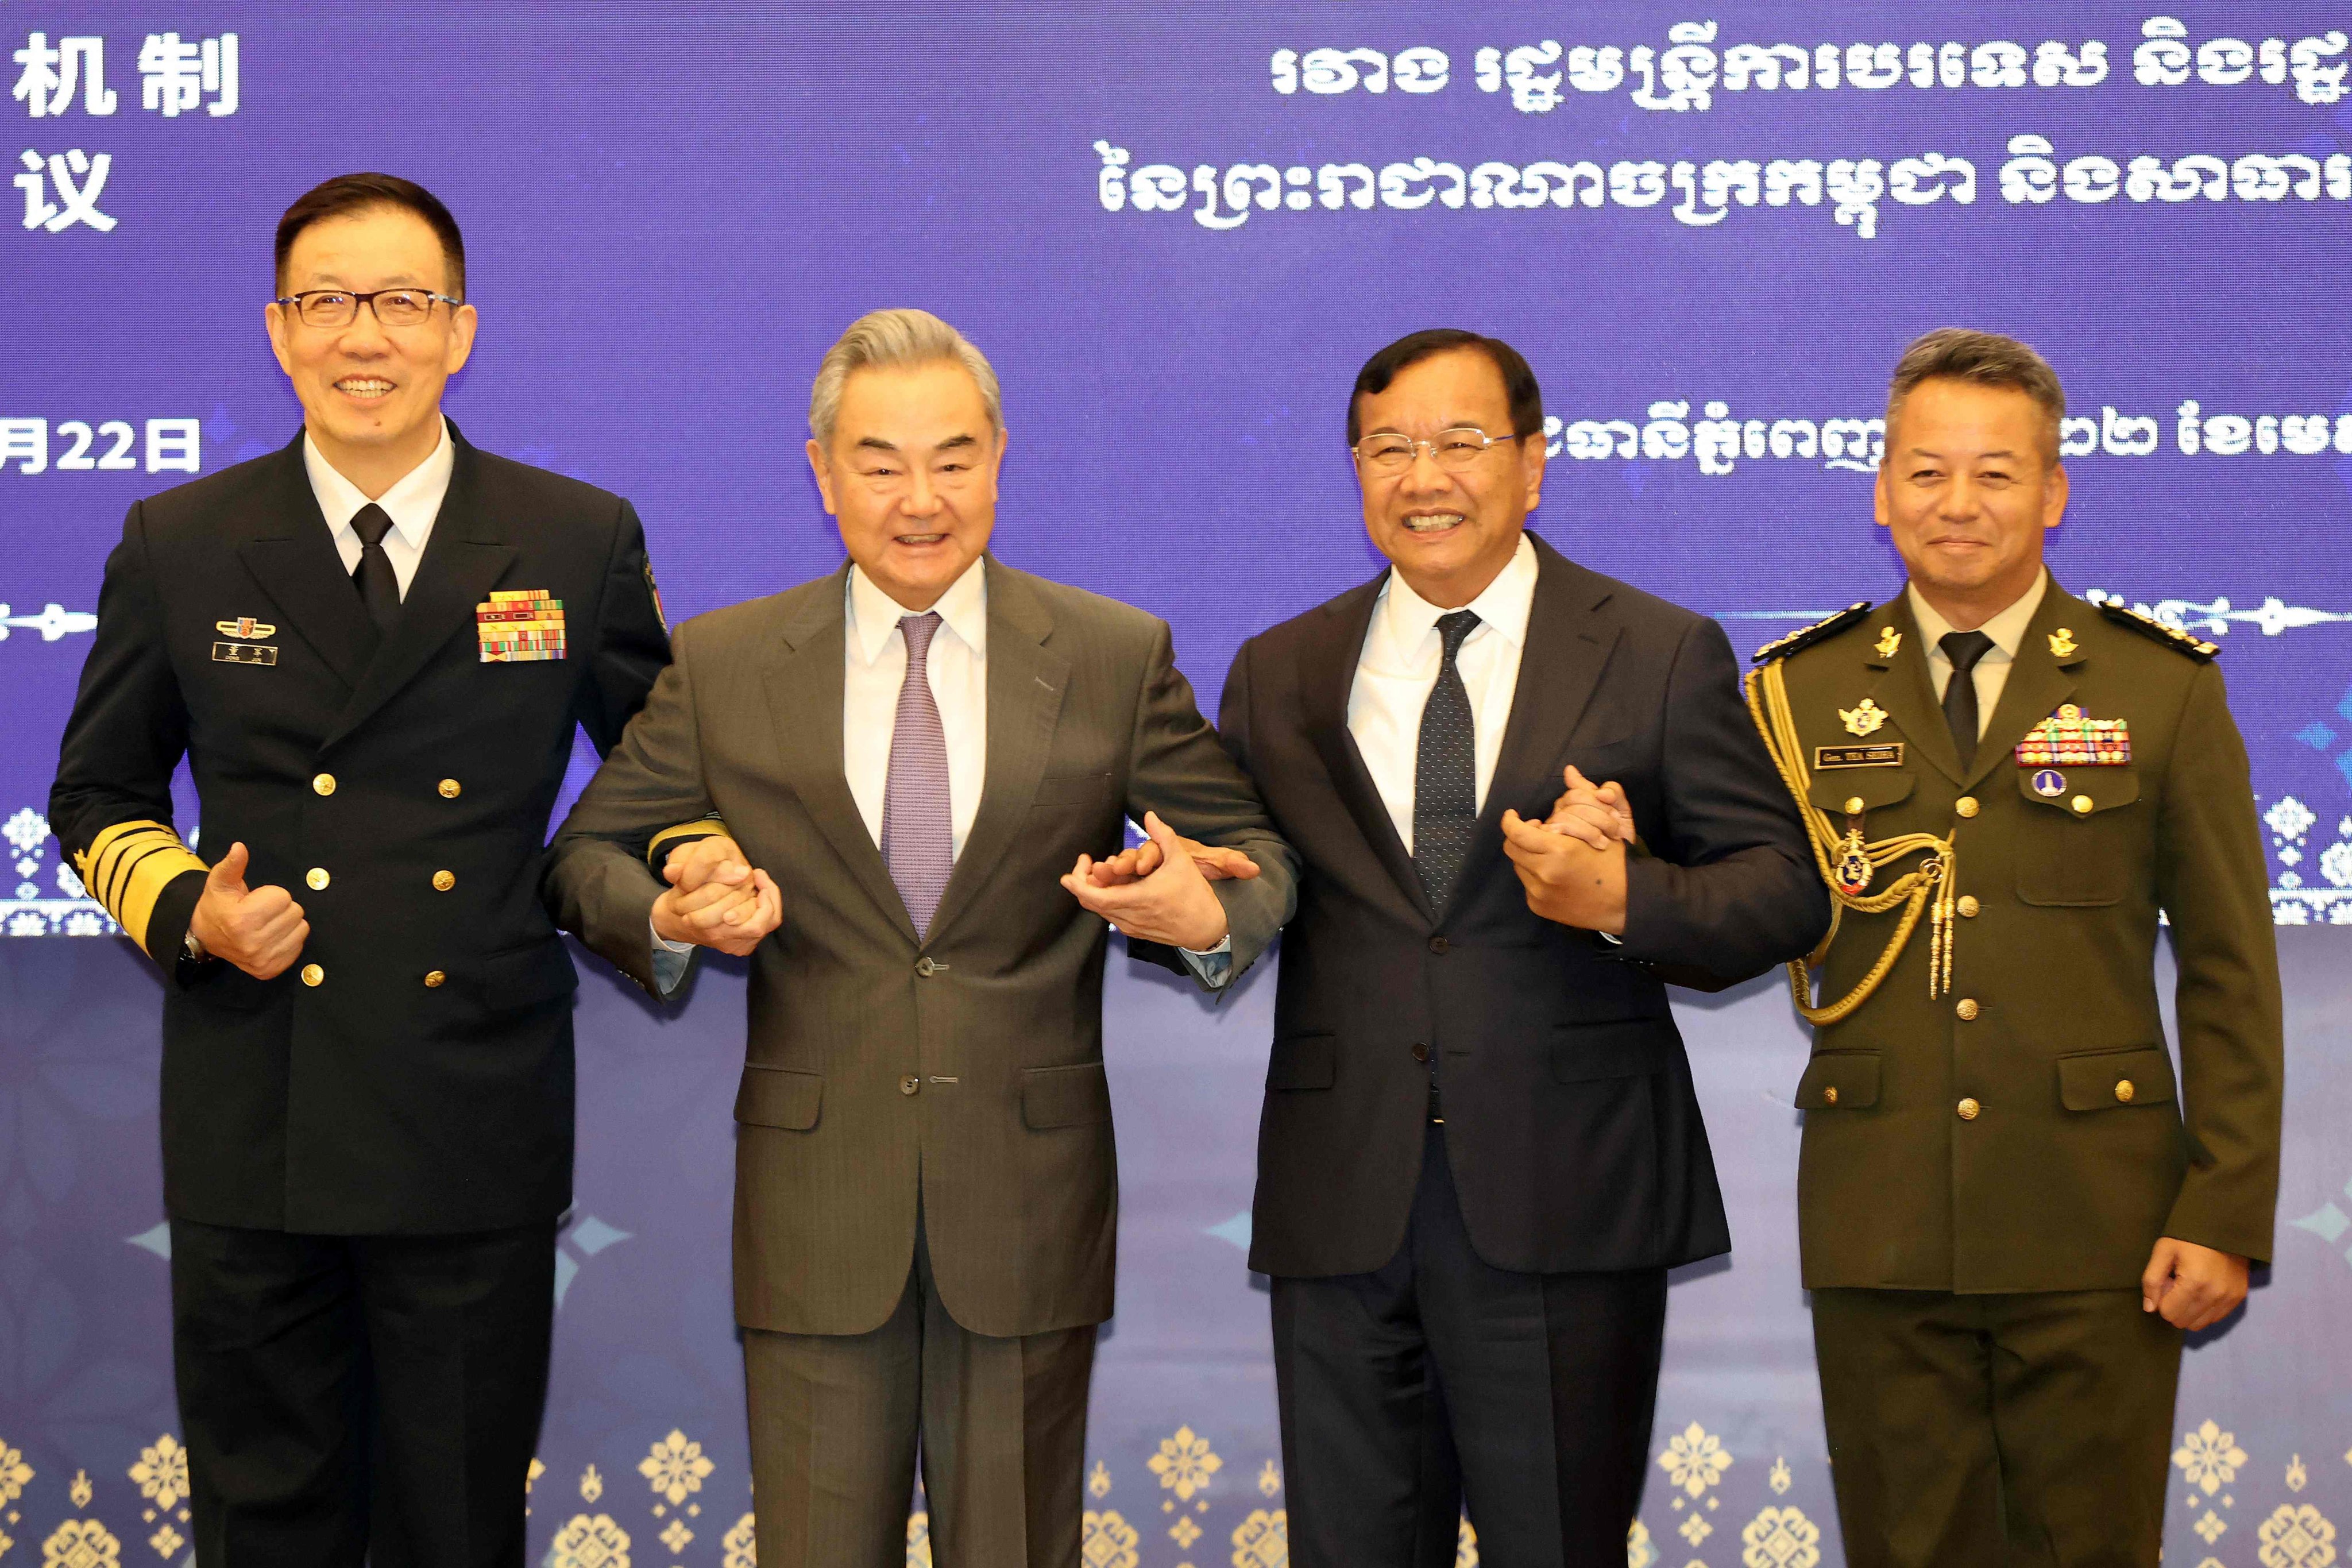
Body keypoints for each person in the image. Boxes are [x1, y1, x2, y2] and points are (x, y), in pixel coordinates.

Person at [542, 308, 1296, 1568]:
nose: (919, 499)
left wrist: (1201, 914)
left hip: (1026, 1208)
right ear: (822, 472)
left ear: (999, 457)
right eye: (879, 463)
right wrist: (668, 914)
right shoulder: (726, 662)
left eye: (952, 460)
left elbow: (1256, 861)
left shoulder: (1110, 654)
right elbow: (581, 860)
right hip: (814, 1210)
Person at [47, 173, 681, 1566]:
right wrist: (185, 909)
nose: (365, 336)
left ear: (460, 331)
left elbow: (660, 772)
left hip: (472, 1105)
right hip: (259, 1104)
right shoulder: (186, 540)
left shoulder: (575, 537)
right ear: (279, 332)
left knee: (455, 1522)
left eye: (403, 301)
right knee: (266, 1520)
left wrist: (686, 872)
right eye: (327, 301)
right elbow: (94, 791)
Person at [1180, 329, 1826, 1565]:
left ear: (1533, 465)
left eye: (1461, 443)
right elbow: (1239, 886)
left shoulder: (1652, 648)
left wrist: (1620, 895)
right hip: (1342, 1202)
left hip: (1562, 1197)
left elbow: (1784, 893)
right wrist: (1181, 915)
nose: (1424, 476)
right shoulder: (1280, 670)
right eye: (1389, 448)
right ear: (1356, 470)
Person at [1745, 328, 2283, 1567]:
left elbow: (2227, 972)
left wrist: (2222, 1208)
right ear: (1880, 494)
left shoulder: (2159, 691)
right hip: (1880, 1223)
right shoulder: (1793, 694)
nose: (1957, 503)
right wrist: (1618, 886)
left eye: (1995, 473)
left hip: (2098, 1227)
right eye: (1925, 472)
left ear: (2052, 492)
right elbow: (1742, 911)